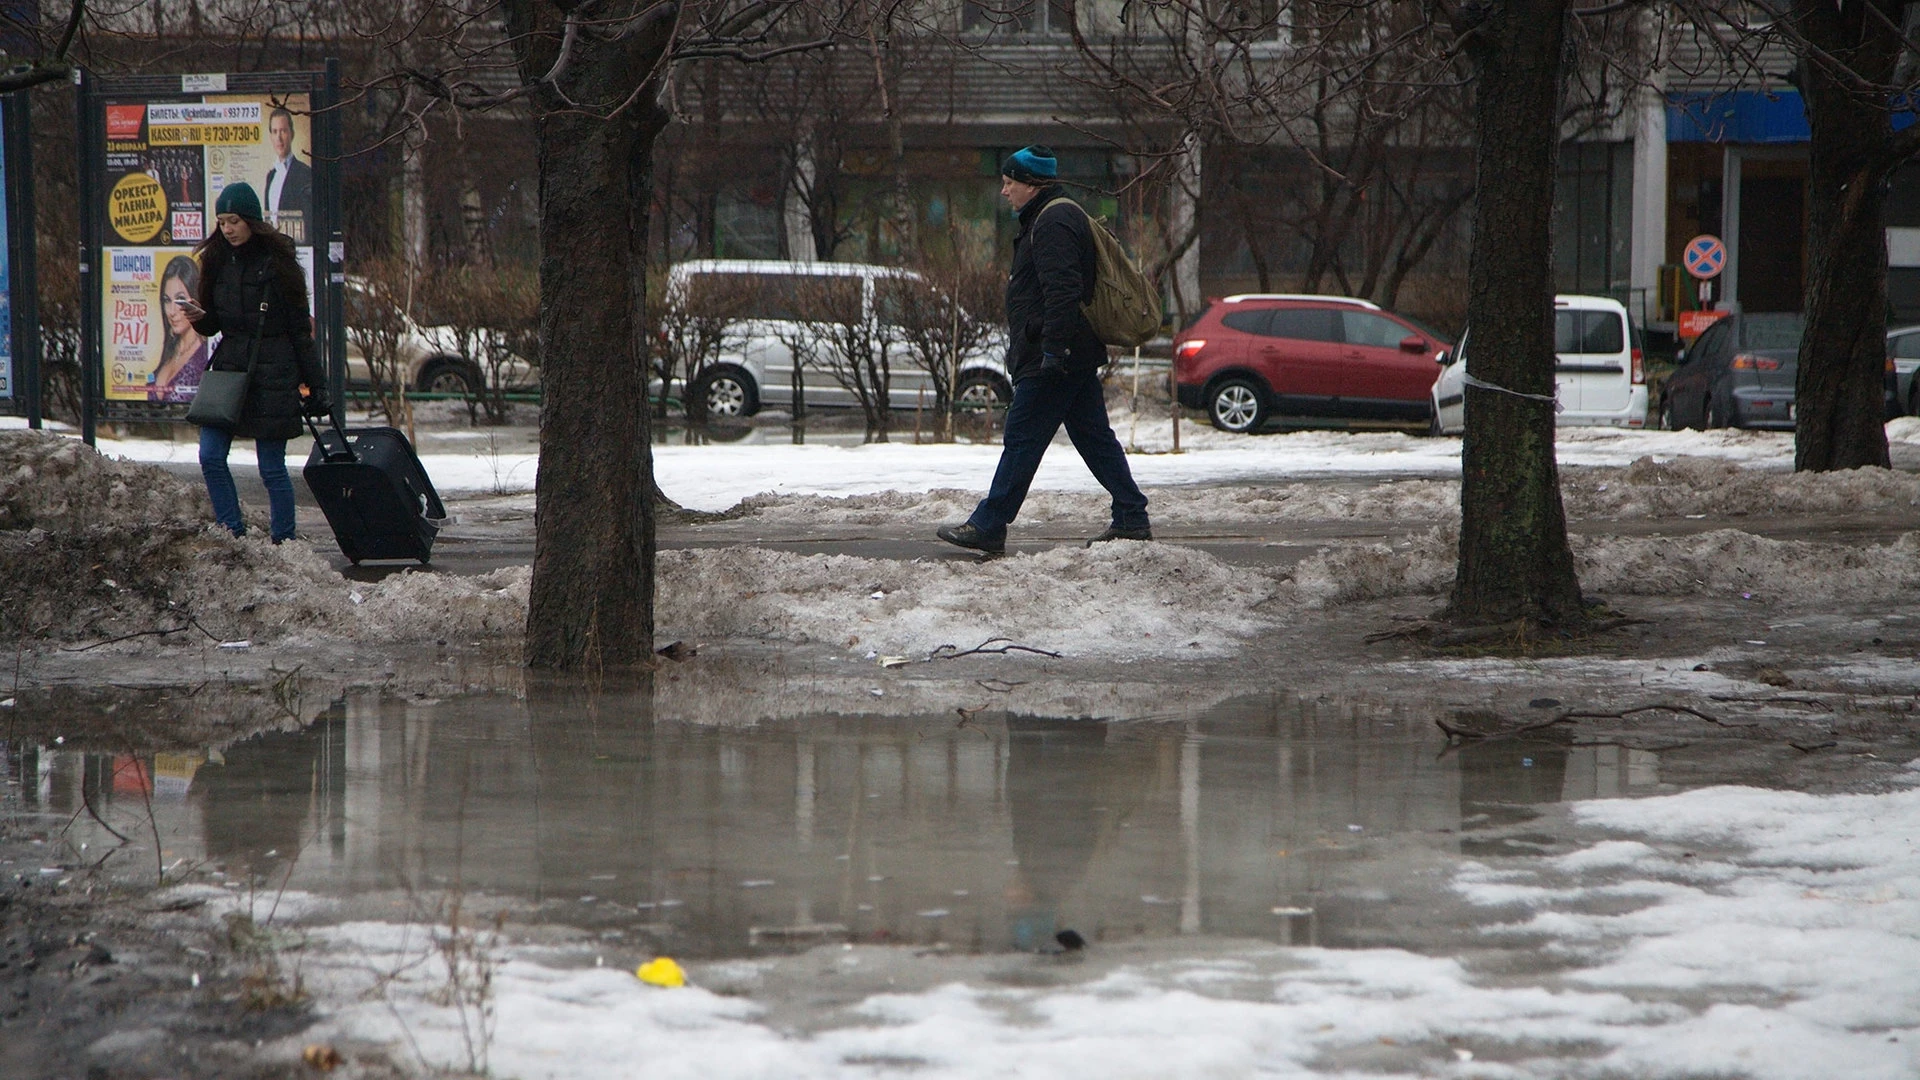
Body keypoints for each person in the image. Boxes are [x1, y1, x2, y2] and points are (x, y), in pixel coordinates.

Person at [937, 146, 1150, 555]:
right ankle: (1131, 516)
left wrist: (1053, 351)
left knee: (1022, 436)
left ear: (1031, 185)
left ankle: (989, 524)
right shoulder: (1050, 217)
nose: (1004, 192)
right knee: (1093, 438)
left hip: (1055, 355)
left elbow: (1063, 291)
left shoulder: (1053, 221)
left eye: (1009, 183)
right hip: (1066, 351)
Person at [180, 182, 328, 543]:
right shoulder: (214, 259)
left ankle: (284, 544)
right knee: (211, 455)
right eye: (222, 221)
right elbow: (214, 322)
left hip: (274, 370)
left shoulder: (278, 262)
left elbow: (298, 328)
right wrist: (200, 316)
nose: (228, 229)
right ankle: (233, 533)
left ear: (251, 220)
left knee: (272, 468)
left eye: (234, 220)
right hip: (230, 368)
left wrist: (317, 384)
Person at [148, 255, 209, 403]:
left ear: (195, 298)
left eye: (180, 300)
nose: (172, 311)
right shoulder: (169, 351)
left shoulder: (205, 355)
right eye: (167, 300)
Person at [261, 108, 312, 240]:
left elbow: (309, 223)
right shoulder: (270, 176)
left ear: (291, 134)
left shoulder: (305, 173)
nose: (279, 138)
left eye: (283, 131)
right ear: (270, 136)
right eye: (274, 131)